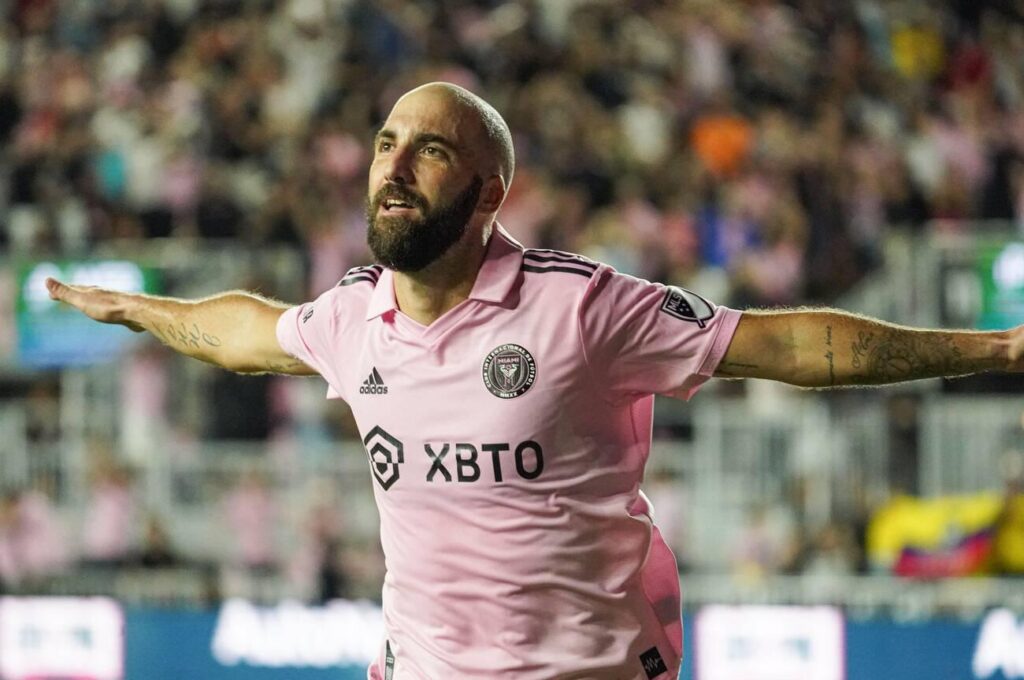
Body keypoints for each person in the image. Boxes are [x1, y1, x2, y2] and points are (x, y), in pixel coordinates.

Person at [47, 82, 1023, 680]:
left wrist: (998, 350)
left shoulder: (581, 306)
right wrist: (144, 310)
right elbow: (246, 332)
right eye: (387, 143)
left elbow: (792, 346)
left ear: (487, 193)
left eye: (430, 149)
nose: (395, 166)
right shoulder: (350, 313)